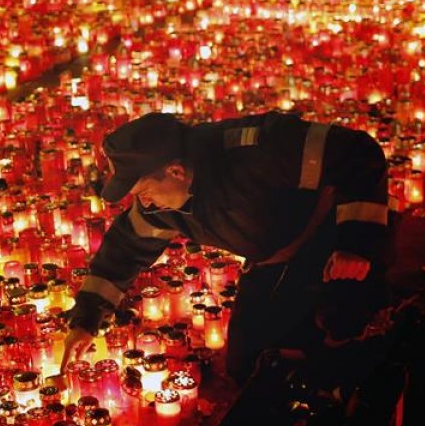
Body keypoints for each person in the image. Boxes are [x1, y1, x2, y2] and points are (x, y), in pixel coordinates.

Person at [61, 110, 395, 384]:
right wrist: (85, 321)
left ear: (175, 171)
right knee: (246, 364)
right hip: (271, 259)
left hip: (332, 245)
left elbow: (357, 153)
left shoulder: (258, 150)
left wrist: (357, 244)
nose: (143, 201)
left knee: (337, 347)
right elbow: (122, 250)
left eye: (144, 190)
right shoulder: (161, 205)